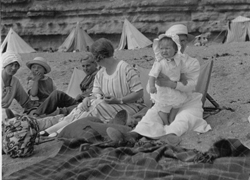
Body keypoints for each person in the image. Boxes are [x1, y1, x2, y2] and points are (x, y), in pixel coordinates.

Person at [107, 24, 212, 146]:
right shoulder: (160, 62)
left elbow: (191, 86)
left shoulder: (191, 62)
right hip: (166, 99)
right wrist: (156, 85)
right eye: (177, 40)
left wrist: (171, 84)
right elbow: (150, 87)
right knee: (151, 116)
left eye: (183, 40)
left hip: (186, 100)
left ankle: (168, 137)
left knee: (185, 118)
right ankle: (131, 136)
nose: (181, 44)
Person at [40, 38, 145, 137]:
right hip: (109, 105)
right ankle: (55, 128)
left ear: (100, 57)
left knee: (97, 106)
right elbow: (95, 94)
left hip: (129, 106)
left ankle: (63, 130)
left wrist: (119, 100)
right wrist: (87, 99)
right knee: (83, 106)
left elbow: (139, 93)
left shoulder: (125, 69)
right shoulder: (101, 73)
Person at [33, 52, 99, 117]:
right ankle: (37, 114)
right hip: (80, 101)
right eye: (83, 66)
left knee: (63, 110)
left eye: (88, 65)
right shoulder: (89, 75)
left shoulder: (97, 75)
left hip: (86, 104)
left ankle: (40, 116)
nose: (85, 68)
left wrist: (80, 96)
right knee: (57, 94)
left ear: (95, 64)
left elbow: (92, 92)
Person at [148, 34, 188, 125]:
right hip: (163, 90)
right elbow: (152, 75)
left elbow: (182, 71)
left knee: (177, 104)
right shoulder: (159, 63)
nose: (164, 51)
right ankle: (165, 122)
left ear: (175, 49)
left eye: (167, 48)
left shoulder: (179, 61)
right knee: (164, 108)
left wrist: (183, 78)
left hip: (174, 88)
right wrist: (152, 86)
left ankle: (171, 118)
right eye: (161, 48)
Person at [1, 52, 40, 118]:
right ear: (5, 64)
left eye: (16, 65)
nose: (13, 68)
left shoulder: (15, 82)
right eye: (11, 64)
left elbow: (25, 102)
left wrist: (40, 105)